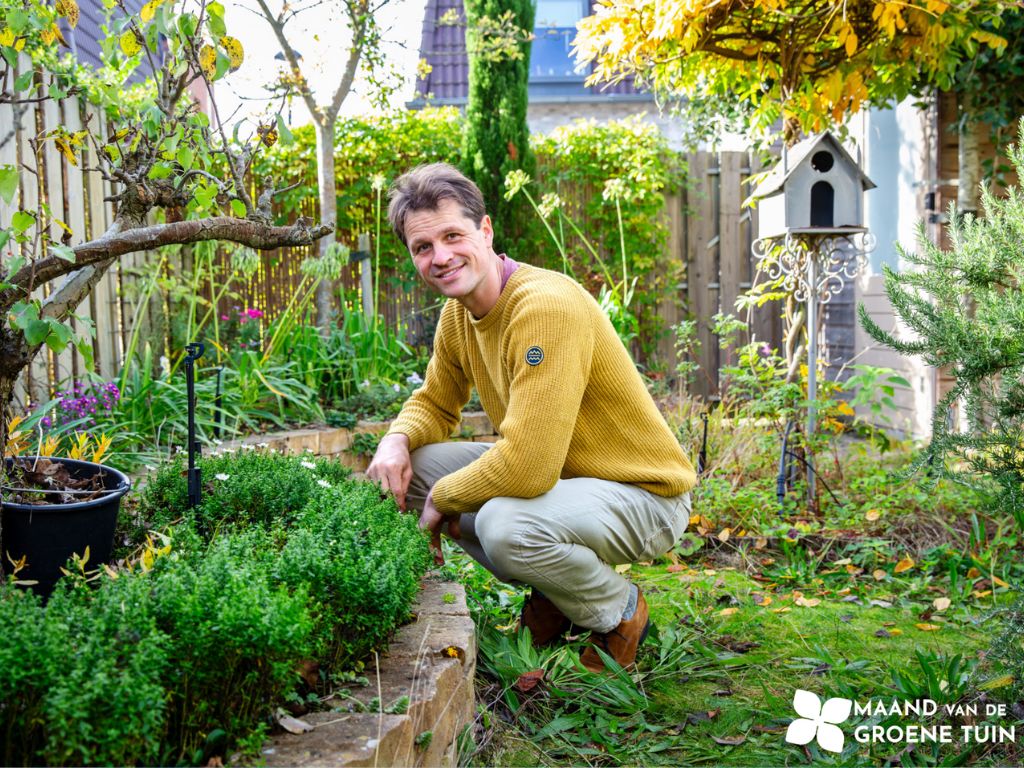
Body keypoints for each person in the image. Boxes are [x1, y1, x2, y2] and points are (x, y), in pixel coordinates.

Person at [367, 162, 696, 672]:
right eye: (423, 247)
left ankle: (621, 614)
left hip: (645, 496)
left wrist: (444, 498)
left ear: (486, 230)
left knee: (503, 525)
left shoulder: (543, 307)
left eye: (453, 236)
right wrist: (395, 440)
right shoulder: (458, 313)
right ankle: (557, 594)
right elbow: (435, 403)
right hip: (573, 480)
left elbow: (528, 467)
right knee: (416, 466)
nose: (441, 257)